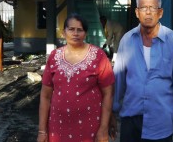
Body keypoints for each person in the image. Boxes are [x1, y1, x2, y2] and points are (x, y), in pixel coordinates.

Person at [110, 0, 173, 142]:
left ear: (160, 13)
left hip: (160, 120)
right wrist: (112, 114)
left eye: (152, 8)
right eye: (143, 8)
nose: (148, 12)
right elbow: (118, 80)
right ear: (136, 12)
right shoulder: (127, 40)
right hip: (130, 119)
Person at [37, 13, 115, 142]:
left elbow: (108, 94)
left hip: (90, 126)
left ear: (85, 34)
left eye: (80, 30)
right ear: (63, 32)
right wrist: (42, 131)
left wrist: (103, 128)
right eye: (71, 29)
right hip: (58, 127)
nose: (75, 33)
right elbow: (45, 96)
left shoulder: (98, 56)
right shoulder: (54, 56)